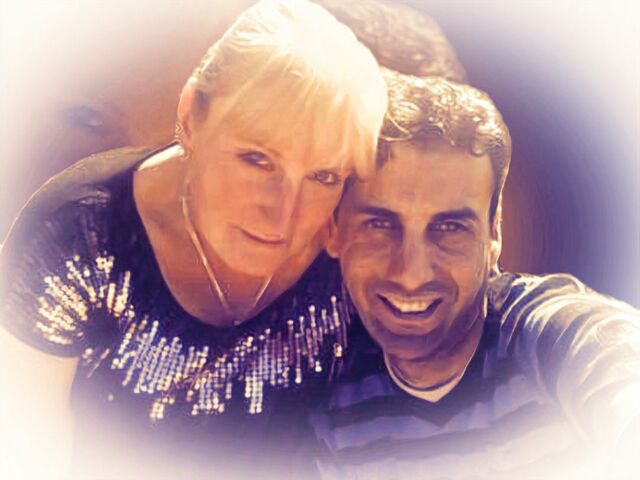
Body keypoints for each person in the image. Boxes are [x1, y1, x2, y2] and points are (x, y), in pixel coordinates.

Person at [0, 0, 388, 478]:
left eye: (323, 176)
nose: (284, 213)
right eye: (257, 160)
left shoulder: (362, 244)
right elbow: (24, 447)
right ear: (190, 116)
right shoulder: (77, 236)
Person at [312, 70, 640, 479]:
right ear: (334, 230)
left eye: (450, 227)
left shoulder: (542, 335)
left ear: (494, 233)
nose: (411, 273)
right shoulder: (331, 413)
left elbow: (610, 355)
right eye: (379, 224)